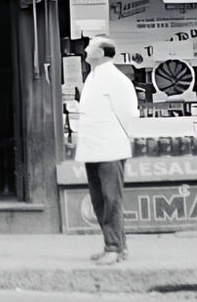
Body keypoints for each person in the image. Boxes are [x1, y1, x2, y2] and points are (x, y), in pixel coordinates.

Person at [76, 35, 139, 266]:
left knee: (111, 198)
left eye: (90, 47)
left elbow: (128, 115)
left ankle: (114, 247)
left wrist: (117, 139)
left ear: (101, 53)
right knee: (99, 199)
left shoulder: (116, 80)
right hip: (93, 147)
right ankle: (114, 245)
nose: (85, 49)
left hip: (110, 147)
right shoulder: (93, 77)